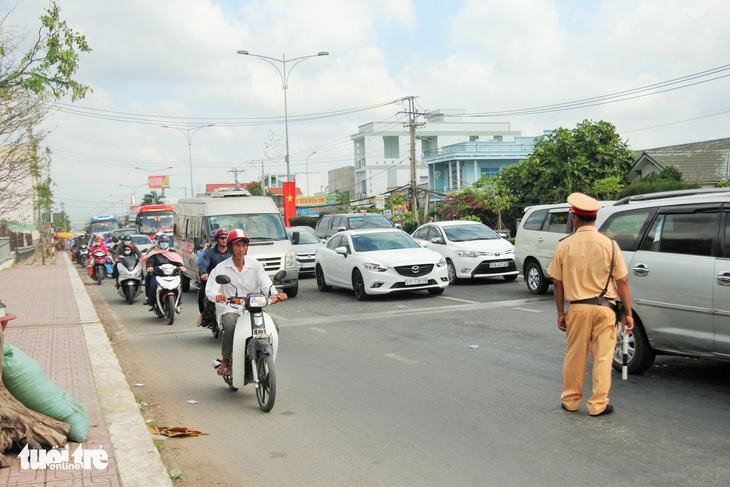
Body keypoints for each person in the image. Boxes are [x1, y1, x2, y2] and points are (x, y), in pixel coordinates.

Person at [547, 192, 634, 417]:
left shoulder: (564, 245)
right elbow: (622, 281)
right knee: (603, 358)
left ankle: (570, 401)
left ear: (575, 218)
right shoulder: (610, 245)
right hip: (606, 308)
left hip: (578, 308)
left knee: (575, 356)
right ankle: (598, 404)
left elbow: (557, 282)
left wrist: (560, 312)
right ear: (594, 218)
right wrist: (628, 314)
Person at [206, 229, 287, 376]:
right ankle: (225, 361)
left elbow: (266, 285)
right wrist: (218, 296)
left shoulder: (255, 266)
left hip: (253, 308)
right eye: (237, 246)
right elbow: (210, 289)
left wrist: (276, 294)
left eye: (244, 245)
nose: (241, 249)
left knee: (273, 324)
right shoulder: (221, 268)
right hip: (230, 308)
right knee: (230, 324)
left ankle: (267, 357)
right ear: (230, 247)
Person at [141, 234, 185, 312]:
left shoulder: (172, 252)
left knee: (179, 287)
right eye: (162, 242)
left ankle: (178, 304)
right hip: (158, 275)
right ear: (158, 242)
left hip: (172, 275)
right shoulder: (154, 253)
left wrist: (181, 266)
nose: (164, 243)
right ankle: (151, 303)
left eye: (166, 242)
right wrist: (150, 267)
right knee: (153, 286)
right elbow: (150, 262)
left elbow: (177, 262)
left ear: (168, 243)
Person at [196, 229, 230, 325]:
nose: (224, 240)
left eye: (226, 238)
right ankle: (204, 315)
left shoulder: (233, 253)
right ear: (217, 239)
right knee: (203, 292)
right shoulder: (209, 253)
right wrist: (203, 273)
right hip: (214, 282)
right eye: (222, 238)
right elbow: (203, 264)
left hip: (231, 283)